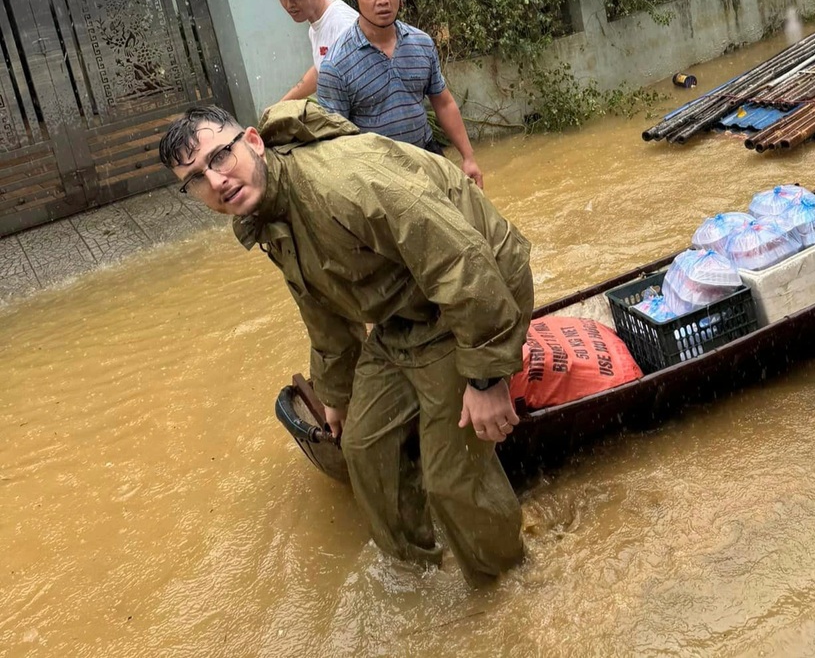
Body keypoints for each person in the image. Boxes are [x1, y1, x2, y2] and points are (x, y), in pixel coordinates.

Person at [157, 100, 533, 585]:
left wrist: (486, 377)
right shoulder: (264, 211)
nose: (215, 181)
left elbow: (462, 259)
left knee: (451, 477)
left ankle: (507, 585)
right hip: (402, 314)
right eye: (195, 179)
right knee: (363, 446)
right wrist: (336, 394)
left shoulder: (341, 184)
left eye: (219, 157)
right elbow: (321, 305)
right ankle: (414, 574)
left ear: (253, 141)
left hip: (474, 298)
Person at [316, 0, 485, 187]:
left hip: (428, 156)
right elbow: (335, 144)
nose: (383, 0)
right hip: (380, 176)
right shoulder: (336, 65)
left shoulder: (422, 43)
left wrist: (468, 157)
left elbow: (443, 102)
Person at [266, 0, 358, 102]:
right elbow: (319, 71)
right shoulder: (315, 25)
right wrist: (281, 105)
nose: (289, 4)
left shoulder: (343, 25)